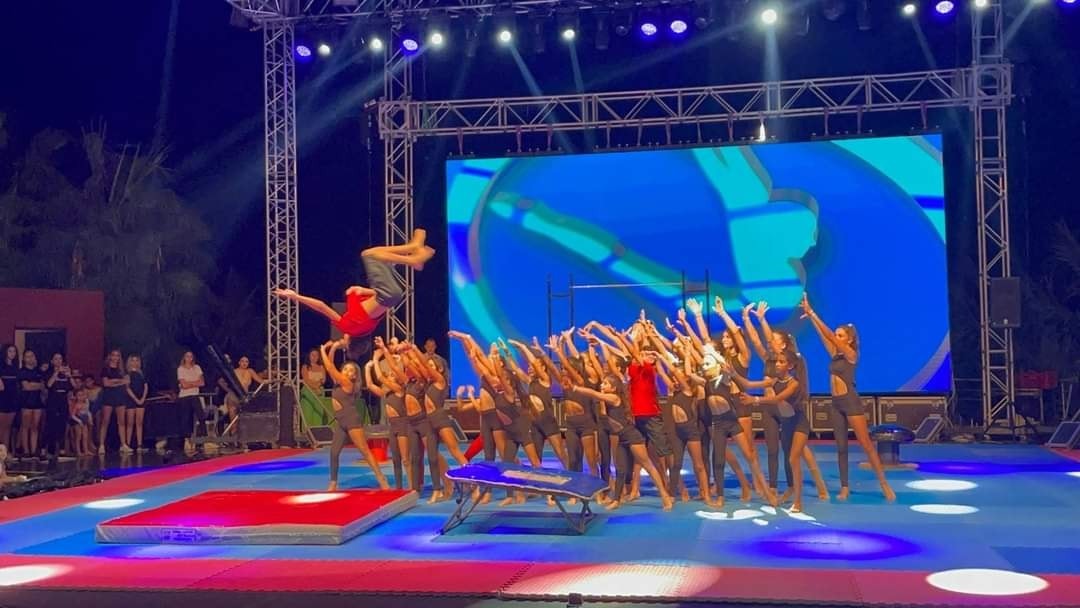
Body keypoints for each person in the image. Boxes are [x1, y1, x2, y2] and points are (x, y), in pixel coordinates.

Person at [801, 293, 895, 502]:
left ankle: (884, 484)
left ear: (849, 339)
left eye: (841, 335)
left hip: (850, 402)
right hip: (836, 404)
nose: (837, 337)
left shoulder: (852, 355)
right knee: (841, 447)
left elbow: (830, 336)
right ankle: (845, 486)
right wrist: (809, 316)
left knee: (866, 444)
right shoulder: (835, 354)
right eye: (837, 335)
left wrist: (813, 313)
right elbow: (824, 337)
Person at [273, 229, 434, 351]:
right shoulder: (346, 326)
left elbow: (377, 298)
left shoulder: (365, 326)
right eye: (344, 343)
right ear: (349, 341)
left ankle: (412, 249)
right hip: (386, 294)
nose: (341, 341)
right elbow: (321, 306)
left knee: (378, 256)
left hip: (391, 296)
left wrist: (361, 290)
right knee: (368, 255)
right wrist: (295, 296)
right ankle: (413, 257)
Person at [728, 352, 829, 512]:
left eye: (781, 362)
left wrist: (755, 400)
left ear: (790, 366)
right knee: (789, 458)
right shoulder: (774, 380)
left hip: (799, 424)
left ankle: (798, 501)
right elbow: (748, 384)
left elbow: (777, 399)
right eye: (777, 361)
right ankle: (794, 490)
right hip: (787, 424)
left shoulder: (794, 383)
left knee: (794, 459)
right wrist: (733, 373)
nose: (777, 364)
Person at [570, 375, 675, 511]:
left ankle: (665, 496)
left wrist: (576, 388)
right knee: (620, 470)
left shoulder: (614, 398)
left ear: (614, 388)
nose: (602, 385)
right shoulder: (606, 400)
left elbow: (593, 394)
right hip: (622, 438)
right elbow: (603, 414)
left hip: (632, 437)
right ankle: (616, 500)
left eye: (605, 383)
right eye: (602, 383)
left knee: (648, 466)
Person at [319, 339, 389, 492]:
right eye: (345, 369)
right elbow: (331, 365)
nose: (347, 372)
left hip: (351, 420)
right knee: (334, 452)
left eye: (351, 370)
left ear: (355, 376)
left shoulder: (347, 383)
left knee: (364, 450)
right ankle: (333, 482)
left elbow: (329, 367)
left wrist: (324, 350)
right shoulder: (338, 382)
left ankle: (381, 478)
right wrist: (334, 348)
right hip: (341, 422)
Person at [99, 349, 130, 454]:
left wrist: (114, 381)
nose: (115, 357)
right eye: (114, 355)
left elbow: (127, 381)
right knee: (105, 421)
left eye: (117, 355)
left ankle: (123, 444)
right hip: (109, 396)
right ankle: (101, 445)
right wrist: (119, 381)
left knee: (121, 421)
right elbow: (106, 383)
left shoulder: (122, 370)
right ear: (110, 356)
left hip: (120, 396)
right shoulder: (106, 369)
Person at [43, 353, 74, 461]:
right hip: (52, 402)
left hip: (63, 401)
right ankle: (49, 450)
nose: (58, 361)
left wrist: (70, 376)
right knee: (51, 426)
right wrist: (56, 372)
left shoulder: (65, 373)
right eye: (56, 359)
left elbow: (73, 386)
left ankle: (61, 450)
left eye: (60, 358)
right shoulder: (49, 372)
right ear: (52, 361)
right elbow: (49, 385)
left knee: (62, 426)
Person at [17, 350, 45, 459]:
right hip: (26, 401)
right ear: (24, 359)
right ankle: (26, 450)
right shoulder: (22, 372)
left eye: (32, 355)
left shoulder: (39, 371)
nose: (30, 358)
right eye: (27, 356)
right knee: (25, 426)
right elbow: (26, 386)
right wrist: (35, 385)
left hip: (37, 401)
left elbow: (43, 386)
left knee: (35, 426)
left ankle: (33, 451)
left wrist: (33, 385)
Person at [177, 351, 207, 451]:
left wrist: (188, 383)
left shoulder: (197, 367)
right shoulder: (180, 369)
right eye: (187, 356)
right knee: (185, 419)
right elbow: (183, 385)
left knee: (201, 416)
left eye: (191, 356)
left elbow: (202, 383)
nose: (189, 358)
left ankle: (204, 439)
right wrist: (195, 383)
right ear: (184, 357)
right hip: (184, 396)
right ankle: (187, 440)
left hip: (195, 395)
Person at [124, 355, 149, 452]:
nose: (134, 362)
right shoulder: (127, 374)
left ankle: (139, 445)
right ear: (129, 362)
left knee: (139, 423)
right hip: (131, 399)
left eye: (136, 360)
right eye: (132, 361)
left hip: (141, 399)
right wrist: (136, 399)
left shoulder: (142, 374)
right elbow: (127, 388)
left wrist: (142, 398)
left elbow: (146, 387)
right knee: (130, 423)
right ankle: (127, 444)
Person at [0, 345, 20, 456]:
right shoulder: (1, 366)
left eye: (14, 351)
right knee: (1, 427)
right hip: (3, 397)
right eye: (10, 351)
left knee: (8, 427)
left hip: (13, 397)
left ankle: (5, 452)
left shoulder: (15, 366)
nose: (12, 353)